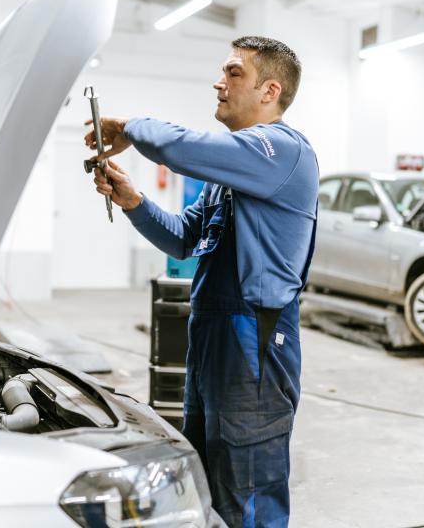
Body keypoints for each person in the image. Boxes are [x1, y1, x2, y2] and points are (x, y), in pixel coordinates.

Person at [85, 36, 318, 528]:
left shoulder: (282, 152)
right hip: (214, 342)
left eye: (234, 73)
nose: (220, 81)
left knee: (247, 490)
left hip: (255, 344)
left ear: (269, 91)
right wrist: (133, 201)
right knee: (204, 482)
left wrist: (127, 127)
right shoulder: (227, 176)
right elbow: (183, 241)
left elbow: (179, 147)